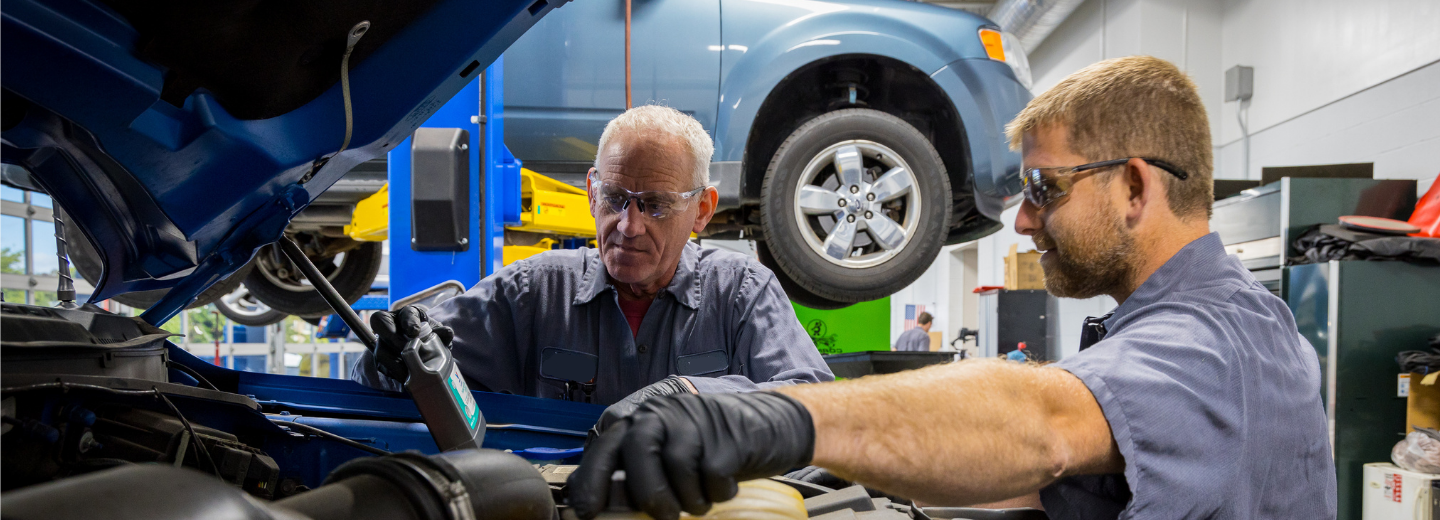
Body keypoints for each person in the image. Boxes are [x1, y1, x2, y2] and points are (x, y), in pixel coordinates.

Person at [566, 56, 1336, 520]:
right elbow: (1050, 478)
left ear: (1135, 187)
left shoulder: (1215, 346)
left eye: (1043, 188)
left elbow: (1039, 422)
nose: (1023, 221)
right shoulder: (1207, 323)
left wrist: (777, 418)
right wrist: (870, 473)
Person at [351, 105, 834, 427]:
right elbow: (375, 388)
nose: (628, 225)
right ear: (590, 191)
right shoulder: (533, 292)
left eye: (655, 205)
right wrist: (394, 356)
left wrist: (689, 395)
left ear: (702, 210)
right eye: (615, 198)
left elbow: (814, 402)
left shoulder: (741, 292)